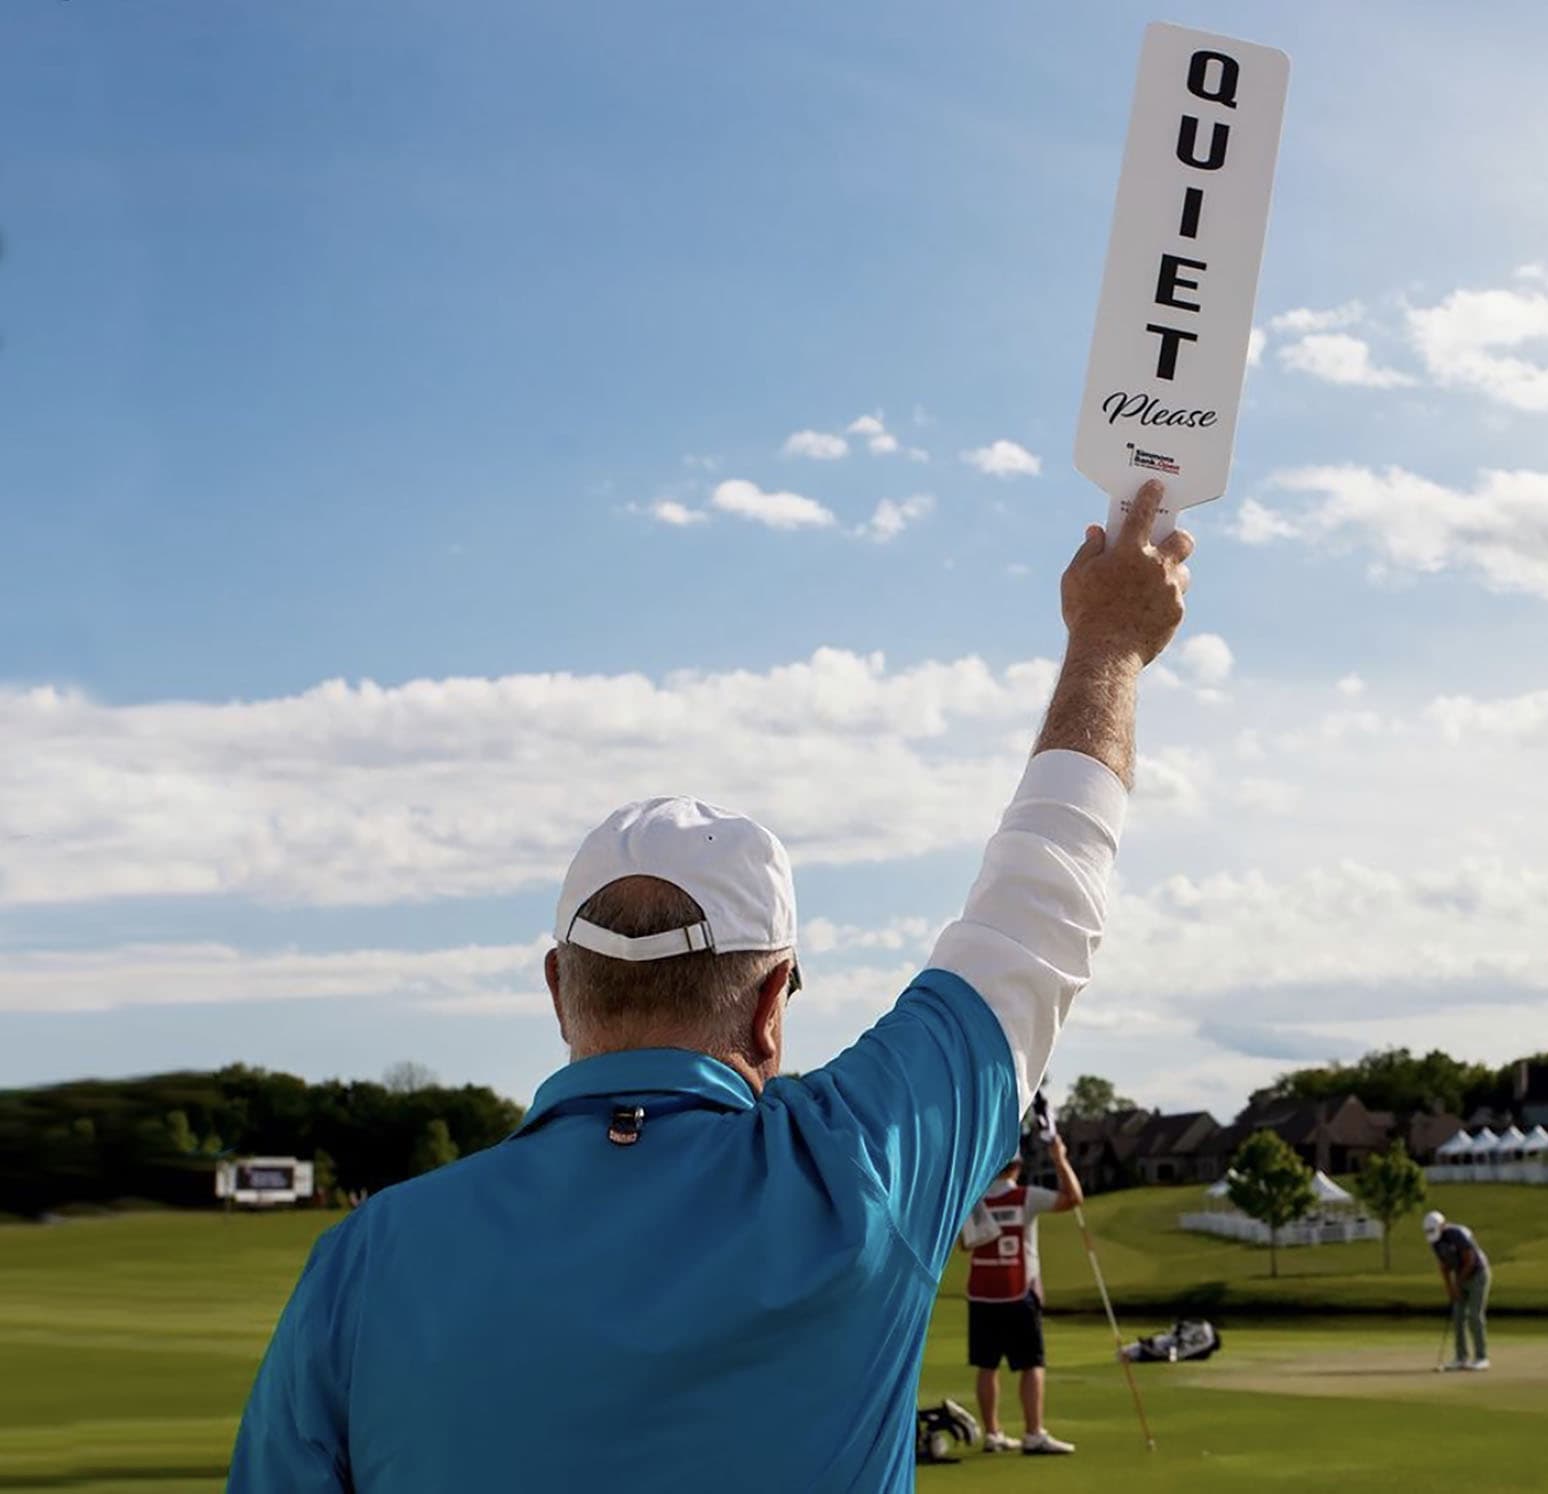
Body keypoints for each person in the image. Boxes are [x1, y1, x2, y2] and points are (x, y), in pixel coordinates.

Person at [227, 480, 1191, 1491]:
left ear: (561, 989)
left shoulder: (365, 1261)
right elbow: (1040, 905)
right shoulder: (851, 1175)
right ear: (772, 1005)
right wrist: (1107, 647)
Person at [960, 1104, 1083, 1454]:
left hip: (982, 1293)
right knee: (1031, 1364)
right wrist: (1059, 1158)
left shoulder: (973, 1200)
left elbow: (963, 1246)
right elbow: (1073, 1198)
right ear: (1017, 1165)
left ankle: (994, 1434)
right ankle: (1033, 1432)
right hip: (1017, 1292)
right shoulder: (1024, 1196)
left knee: (987, 1366)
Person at [1424, 1208, 1491, 1371]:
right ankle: (1461, 1358)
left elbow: (1470, 1259)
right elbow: (1444, 1267)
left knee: (1474, 1315)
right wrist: (1450, 1288)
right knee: (1458, 1316)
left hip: (1477, 1274)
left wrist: (1458, 1282)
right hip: (1460, 1276)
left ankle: (1482, 1358)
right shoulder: (1435, 1241)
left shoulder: (1456, 1233)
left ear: (1442, 1225)